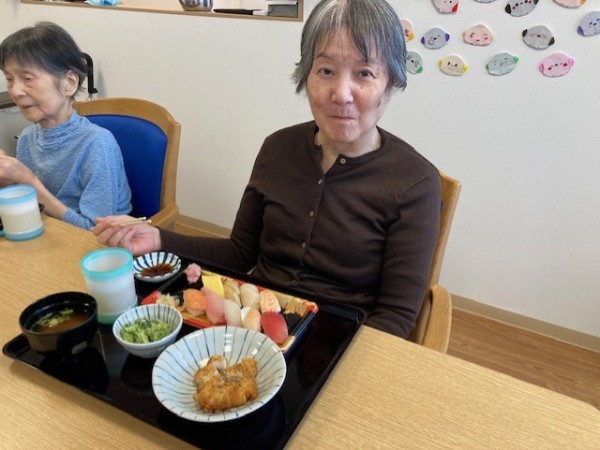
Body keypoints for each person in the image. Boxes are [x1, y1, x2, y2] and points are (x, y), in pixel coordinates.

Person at [93, 0, 441, 339]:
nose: (341, 93)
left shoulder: (415, 183)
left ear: (391, 83)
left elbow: (395, 317)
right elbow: (239, 253)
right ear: (306, 76)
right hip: (252, 327)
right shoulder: (278, 148)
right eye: (326, 71)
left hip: (340, 342)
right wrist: (158, 238)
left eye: (364, 73)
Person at [0, 22, 131, 230]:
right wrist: (8, 182)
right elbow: (30, 208)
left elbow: (95, 231)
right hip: (48, 234)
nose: (15, 91)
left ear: (69, 83)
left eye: (27, 78)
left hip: (97, 243)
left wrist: (28, 181)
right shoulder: (27, 137)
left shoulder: (97, 144)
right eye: (9, 79)